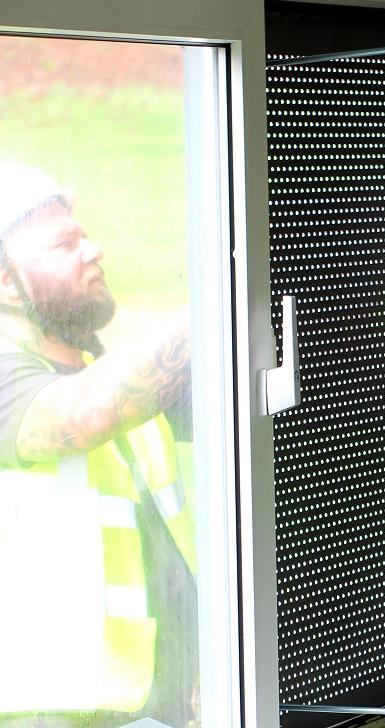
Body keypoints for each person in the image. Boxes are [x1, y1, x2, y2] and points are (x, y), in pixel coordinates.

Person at [0, 161, 197, 728]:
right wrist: (222, 295)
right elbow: (84, 414)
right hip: (41, 712)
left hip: (145, 707)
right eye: (65, 244)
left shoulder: (105, 379)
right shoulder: (23, 381)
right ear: (6, 280)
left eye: (85, 234)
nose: (94, 250)